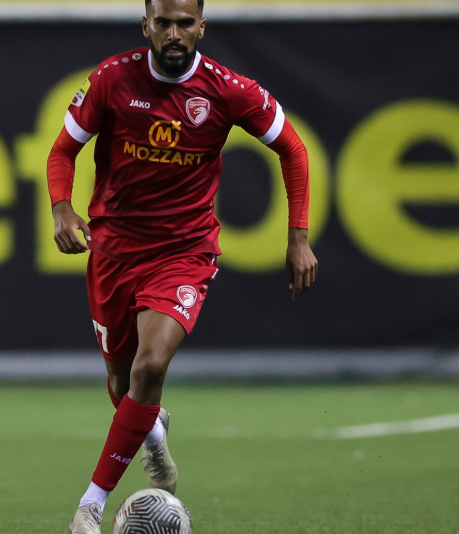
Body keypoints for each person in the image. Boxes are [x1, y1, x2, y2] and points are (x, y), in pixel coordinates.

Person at [46, 0, 317, 531]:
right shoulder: (111, 79)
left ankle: (90, 506)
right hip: (114, 250)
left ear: (201, 27)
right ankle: (152, 431)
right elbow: (62, 151)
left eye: (185, 23)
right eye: (164, 23)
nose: (174, 33)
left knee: (151, 367)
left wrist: (298, 238)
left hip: (183, 253)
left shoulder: (227, 89)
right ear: (146, 25)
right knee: (122, 382)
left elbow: (294, 149)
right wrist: (61, 208)